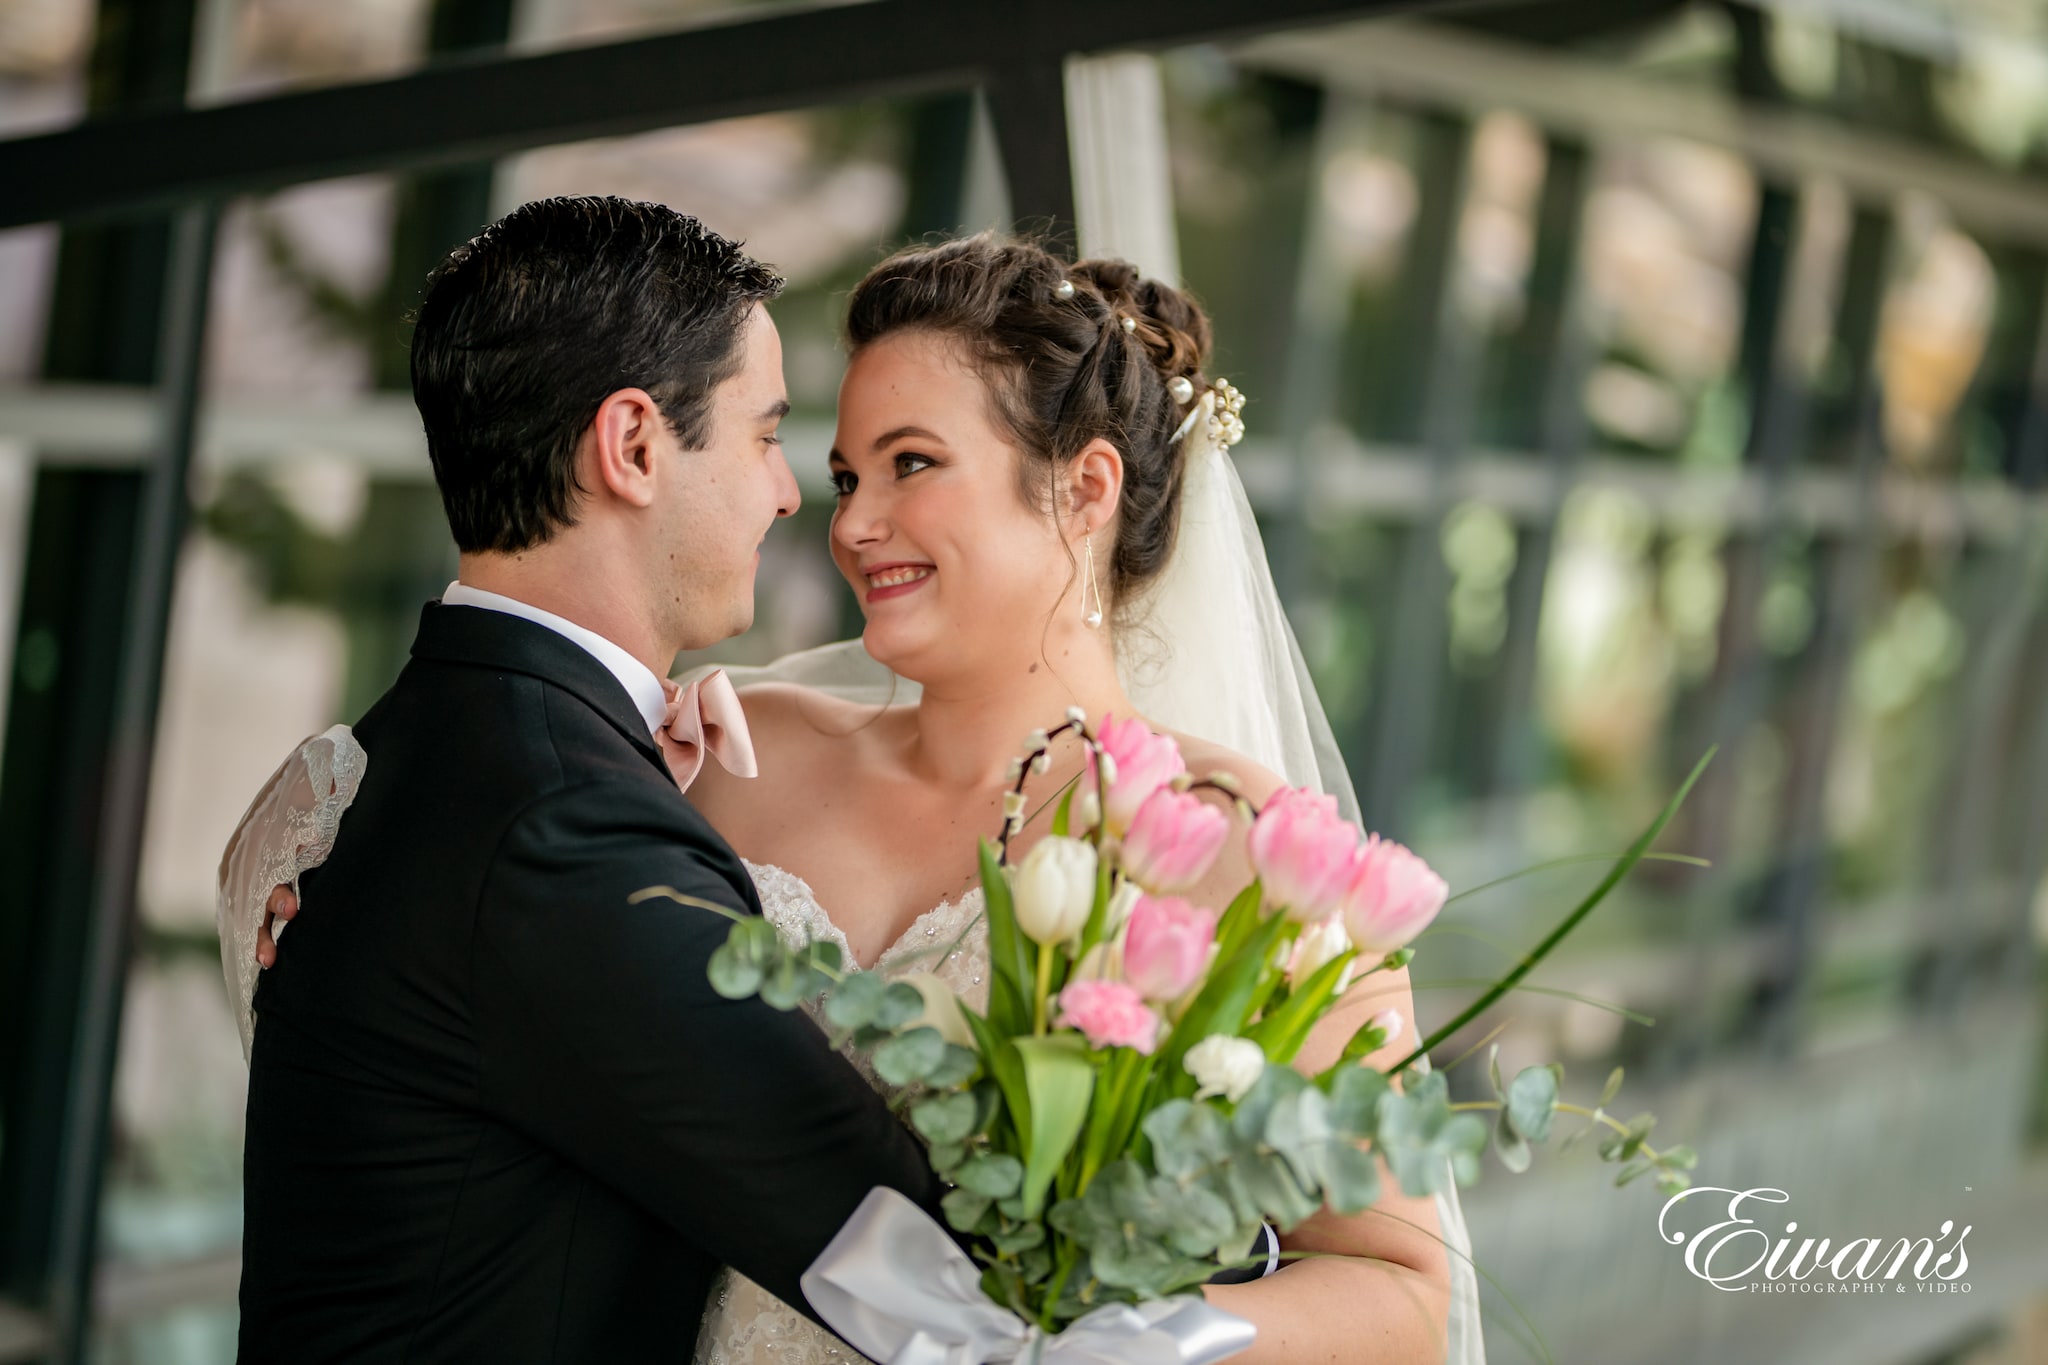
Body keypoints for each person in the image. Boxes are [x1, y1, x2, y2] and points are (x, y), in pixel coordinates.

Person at [227, 225, 1486, 1364]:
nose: (845, 522)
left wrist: (1123, 1346)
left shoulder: (1247, 853)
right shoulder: (707, 758)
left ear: (1084, 489)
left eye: (910, 464)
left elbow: (1401, 1293)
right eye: (835, 472)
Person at [220, 197, 948, 1364]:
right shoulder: (565, 828)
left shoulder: (424, 745)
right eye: (764, 436)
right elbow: (902, 1266)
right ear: (633, 446)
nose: (785, 493)